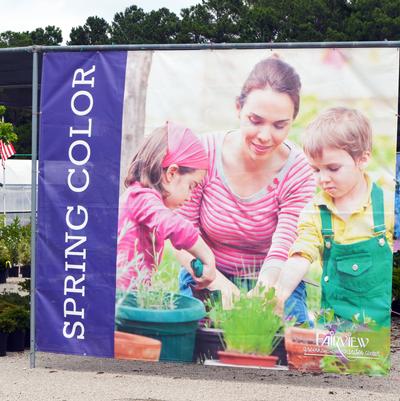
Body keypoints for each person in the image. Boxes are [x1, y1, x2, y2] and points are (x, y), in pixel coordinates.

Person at [176, 57, 316, 317]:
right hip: (208, 271)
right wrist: (220, 284)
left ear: (292, 121)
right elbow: (181, 235)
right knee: (192, 335)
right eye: (255, 120)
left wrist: (263, 293)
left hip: (273, 278)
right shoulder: (204, 153)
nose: (265, 136)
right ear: (238, 108)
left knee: (283, 343)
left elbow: (286, 242)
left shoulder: (298, 170)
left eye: (279, 125)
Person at [274, 107, 393, 327]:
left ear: (362, 159)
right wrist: (279, 294)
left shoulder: (386, 206)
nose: (323, 179)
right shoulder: (315, 211)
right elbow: (300, 257)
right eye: (316, 170)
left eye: (333, 168)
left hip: (380, 328)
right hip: (335, 326)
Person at [116, 121, 216, 291]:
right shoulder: (140, 197)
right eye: (191, 186)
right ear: (171, 173)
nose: (191, 197)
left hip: (130, 294)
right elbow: (175, 226)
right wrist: (208, 257)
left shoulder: (142, 198)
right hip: (120, 298)